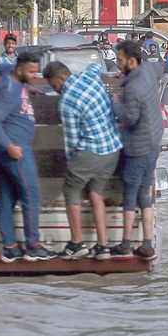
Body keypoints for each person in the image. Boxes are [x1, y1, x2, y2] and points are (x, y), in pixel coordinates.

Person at [43, 61, 124, 261]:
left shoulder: (67, 102)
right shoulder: (89, 76)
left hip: (91, 151)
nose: (55, 90)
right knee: (95, 192)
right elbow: (96, 66)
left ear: (61, 79)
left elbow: (71, 142)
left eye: (54, 86)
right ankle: (103, 246)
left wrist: (73, 168)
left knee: (71, 190)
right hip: (113, 148)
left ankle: (77, 243)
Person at [0, 52, 57, 262]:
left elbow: (2, 68)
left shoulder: (11, 77)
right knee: (32, 197)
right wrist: (10, 146)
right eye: (31, 72)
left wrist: (26, 89)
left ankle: (10, 247)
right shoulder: (8, 91)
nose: (35, 75)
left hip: (8, 149)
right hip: (15, 150)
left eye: (36, 71)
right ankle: (33, 245)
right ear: (19, 70)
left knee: (7, 198)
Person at [110, 40, 163, 260]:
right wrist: (124, 79)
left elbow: (130, 118)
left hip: (138, 146)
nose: (117, 64)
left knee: (130, 194)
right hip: (154, 141)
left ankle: (125, 244)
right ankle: (147, 244)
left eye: (120, 61)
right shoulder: (148, 70)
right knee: (144, 193)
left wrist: (115, 103)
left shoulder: (132, 88)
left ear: (132, 61)